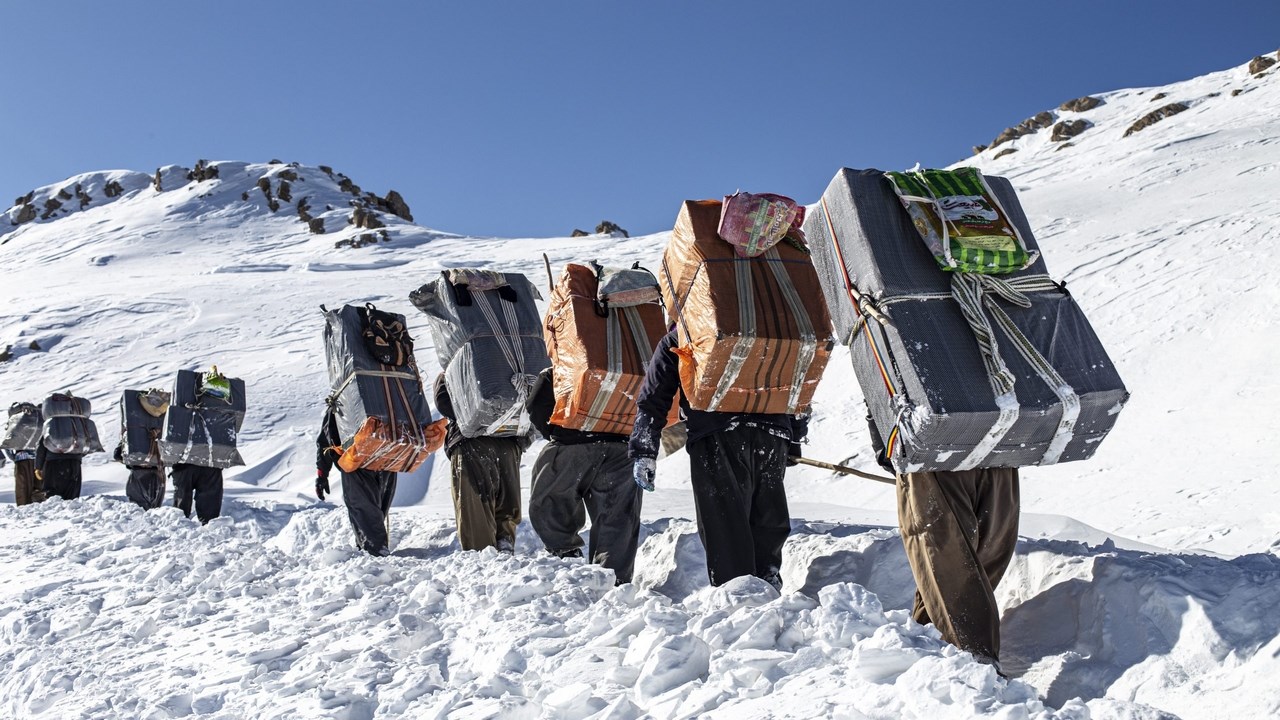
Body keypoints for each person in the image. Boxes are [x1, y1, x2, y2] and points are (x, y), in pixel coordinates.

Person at [630, 329, 808, 590]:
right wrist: (792, 438)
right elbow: (795, 378)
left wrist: (644, 449)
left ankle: (737, 592)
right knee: (767, 512)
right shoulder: (769, 327)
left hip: (716, 432)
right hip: (772, 431)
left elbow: (654, 397)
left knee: (725, 520)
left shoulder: (684, 334)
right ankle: (767, 577)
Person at [871, 420, 1019, 671]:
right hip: (965, 446)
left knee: (967, 559)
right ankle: (957, 661)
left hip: (972, 447)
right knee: (956, 561)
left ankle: (954, 659)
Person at [525, 366, 642, 584]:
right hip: (622, 448)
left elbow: (536, 406)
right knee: (617, 515)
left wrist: (558, 433)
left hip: (572, 443)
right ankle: (613, 581)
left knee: (551, 500)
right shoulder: (631, 367)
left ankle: (566, 558)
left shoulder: (562, 366)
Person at [315, 406, 444, 556]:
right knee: (376, 513)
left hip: (356, 464)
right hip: (387, 461)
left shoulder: (342, 405)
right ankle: (371, 551)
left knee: (364, 513)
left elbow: (325, 440)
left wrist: (322, 474)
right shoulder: (385, 402)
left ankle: (376, 556)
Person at [434, 373, 529, 553]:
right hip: (509, 441)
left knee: (474, 504)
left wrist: (475, 416)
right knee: (506, 497)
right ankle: (505, 542)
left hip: (471, 443)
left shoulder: (454, 368)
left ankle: (482, 555)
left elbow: (443, 403)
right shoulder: (511, 365)